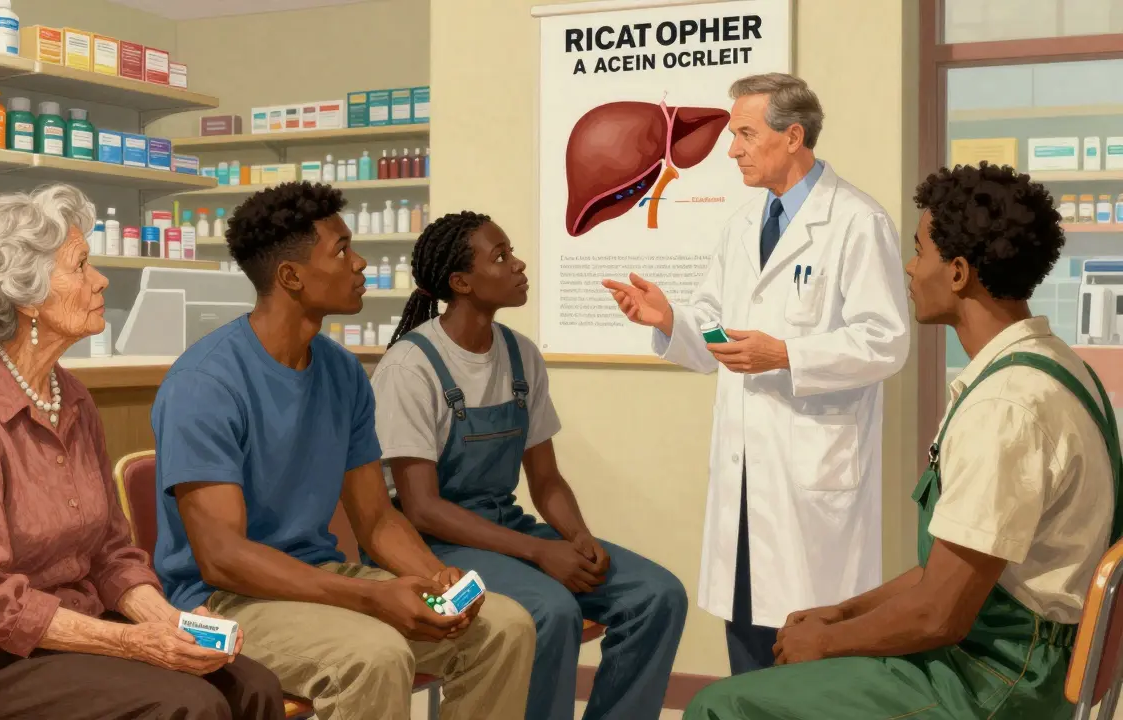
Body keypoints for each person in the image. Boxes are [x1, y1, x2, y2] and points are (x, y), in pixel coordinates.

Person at [686, 161, 1122, 719]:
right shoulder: (1056, 366)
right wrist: (841, 614)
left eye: (920, 251)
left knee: (721, 706)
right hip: (1012, 660)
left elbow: (938, 615)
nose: (910, 270)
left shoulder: (1005, 408)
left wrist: (825, 642)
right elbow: (947, 572)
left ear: (959, 272)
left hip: (994, 683)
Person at [0, 184, 286, 720]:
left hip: (62, 633)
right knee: (186, 705)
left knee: (251, 685)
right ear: (25, 294)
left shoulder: (68, 395)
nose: (100, 280)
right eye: (81, 265)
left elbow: (110, 552)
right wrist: (135, 644)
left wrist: (164, 620)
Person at [149, 182, 537, 720]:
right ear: (291, 277)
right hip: (220, 603)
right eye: (342, 250)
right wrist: (371, 598)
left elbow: (377, 517)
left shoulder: (342, 371)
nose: (360, 264)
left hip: (319, 578)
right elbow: (224, 558)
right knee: (374, 657)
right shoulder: (205, 382)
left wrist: (429, 576)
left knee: (504, 628)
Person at [604, 72, 911, 675]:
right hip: (744, 480)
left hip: (811, 480)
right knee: (746, 642)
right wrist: (673, 321)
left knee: (812, 657)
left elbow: (886, 341)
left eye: (745, 134)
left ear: (793, 135)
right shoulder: (743, 226)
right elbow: (719, 330)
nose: (731, 148)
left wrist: (788, 355)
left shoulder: (855, 221)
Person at [370, 211, 689, 720]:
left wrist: (577, 536)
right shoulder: (411, 367)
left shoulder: (520, 355)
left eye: (511, 251)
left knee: (658, 596)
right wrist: (540, 552)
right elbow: (423, 508)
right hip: (435, 543)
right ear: (461, 282)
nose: (518, 264)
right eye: (500, 257)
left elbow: (546, 479)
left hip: (505, 528)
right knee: (551, 610)